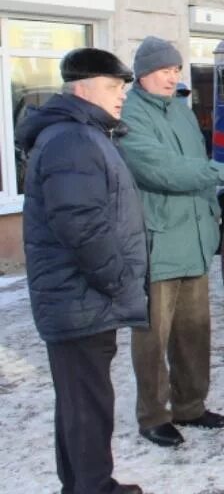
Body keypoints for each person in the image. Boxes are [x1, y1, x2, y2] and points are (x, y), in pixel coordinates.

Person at [119, 36, 224, 448]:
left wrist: (211, 211)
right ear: (143, 73)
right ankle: (153, 415)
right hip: (158, 241)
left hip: (194, 239)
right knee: (152, 336)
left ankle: (190, 405)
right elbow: (161, 170)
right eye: (164, 70)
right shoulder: (130, 115)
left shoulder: (180, 112)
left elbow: (194, 162)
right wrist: (222, 175)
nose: (172, 77)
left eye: (176, 70)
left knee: (193, 332)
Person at [15, 48, 147, 494]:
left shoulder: (79, 135)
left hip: (79, 298)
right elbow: (82, 225)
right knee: (89, 405)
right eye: (113, 87)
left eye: (123, 88)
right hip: (81, 298)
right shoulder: (73, 140)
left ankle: (85, 484)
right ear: (81, 88)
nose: (121, 96)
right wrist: (116, 281)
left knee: (79, 403)